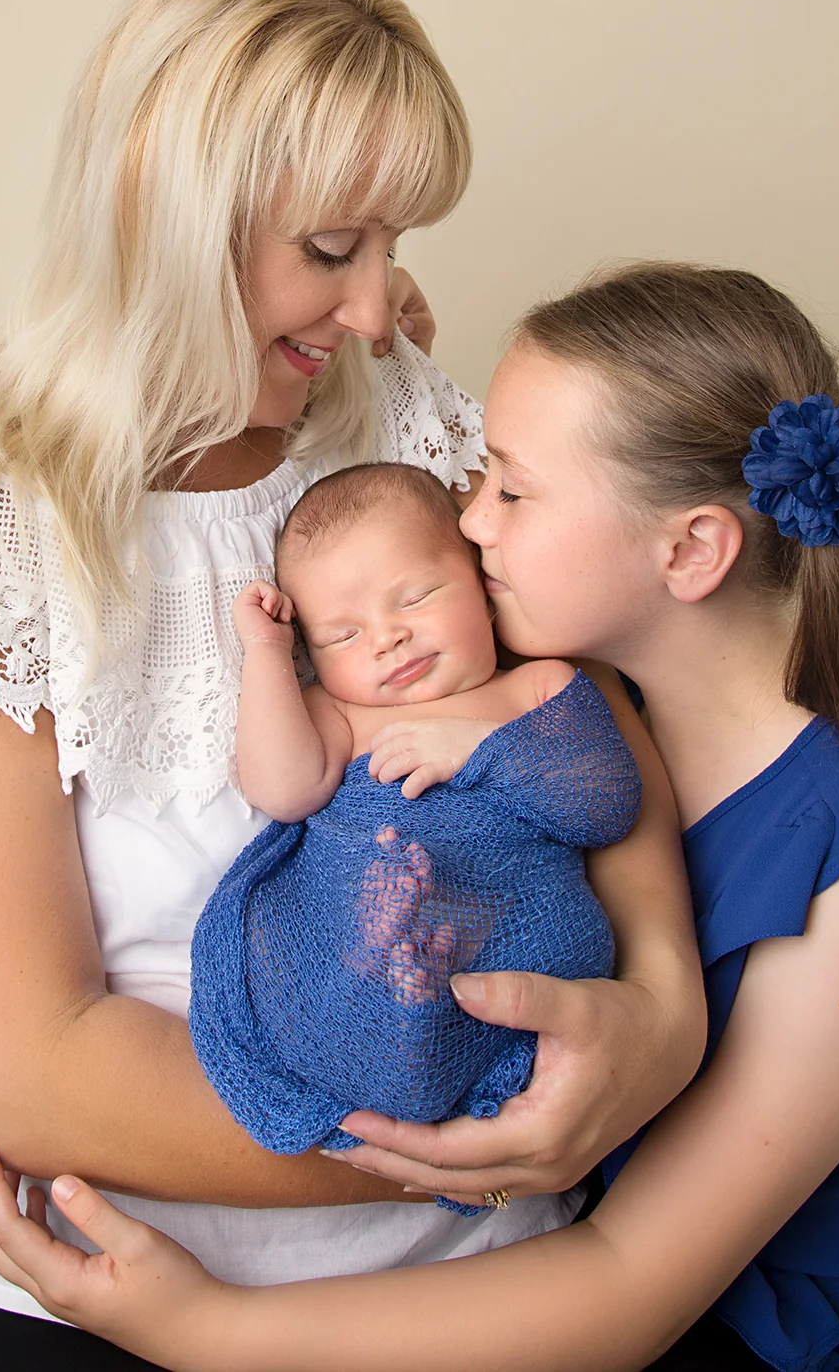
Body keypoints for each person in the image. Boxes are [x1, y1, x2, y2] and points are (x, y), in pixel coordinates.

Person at [0, 0, 702, 1370]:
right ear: (162, 210)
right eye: (332, 250)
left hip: (469, 1295)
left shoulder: (405, 425)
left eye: (393, 249)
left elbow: (579, 713)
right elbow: (24, 1071)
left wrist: (661, 1015)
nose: (378, 307)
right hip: (64, 1303)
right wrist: (497, 1136)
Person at [0, 262, 839, 1371]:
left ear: (689, 551)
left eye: (510, 492)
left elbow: (624, 1286)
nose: (468, 518)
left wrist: (206, 1327)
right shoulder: (593, 716)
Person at [189, 463, 643, 1184]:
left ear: (482, 588)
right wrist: (268, 653)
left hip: (506, 934)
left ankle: (422, 959)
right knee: (363, 902)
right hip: (364, 952)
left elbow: (608, 803)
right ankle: (390, 959)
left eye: (416, 597)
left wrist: (482, 751)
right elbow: (284, 790)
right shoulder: (343, 713)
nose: (387, 638)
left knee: (531, 928)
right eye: (342, 635)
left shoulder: (537, 687)